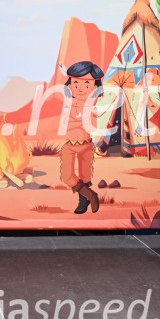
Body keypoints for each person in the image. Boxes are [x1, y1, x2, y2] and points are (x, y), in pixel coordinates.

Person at [59, 61, 103, 214]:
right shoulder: (69, 100)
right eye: (76, 83)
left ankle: (82, 203)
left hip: (86, 144)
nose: (80, 88)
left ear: (95, 87)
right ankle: (91, 196)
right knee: (67, 177)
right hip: (69, 144)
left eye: (87, 84)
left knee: (85, 177)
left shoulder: (91, 102)